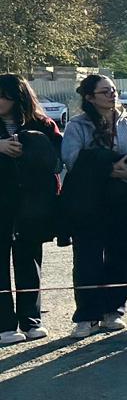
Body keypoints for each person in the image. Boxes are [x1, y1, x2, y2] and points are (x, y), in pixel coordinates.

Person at [60, 74, 127, 337]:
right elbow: (71, 157)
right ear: (89, 97)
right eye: (105, 92)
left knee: (123, 256)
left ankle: (114, 309)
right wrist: (107, 168)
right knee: (87, 259)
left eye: (113, 90)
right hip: (90, 201)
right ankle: (88, 315)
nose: (112, 95)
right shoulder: (78, 125)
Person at [0, 74, 61, 344]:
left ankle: (31, 320)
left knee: (30, 262)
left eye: (4, 95)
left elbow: (58, 157)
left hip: (32, 205)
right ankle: (4, 325)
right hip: (2, 203)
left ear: (19, 96)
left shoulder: (43, 124)